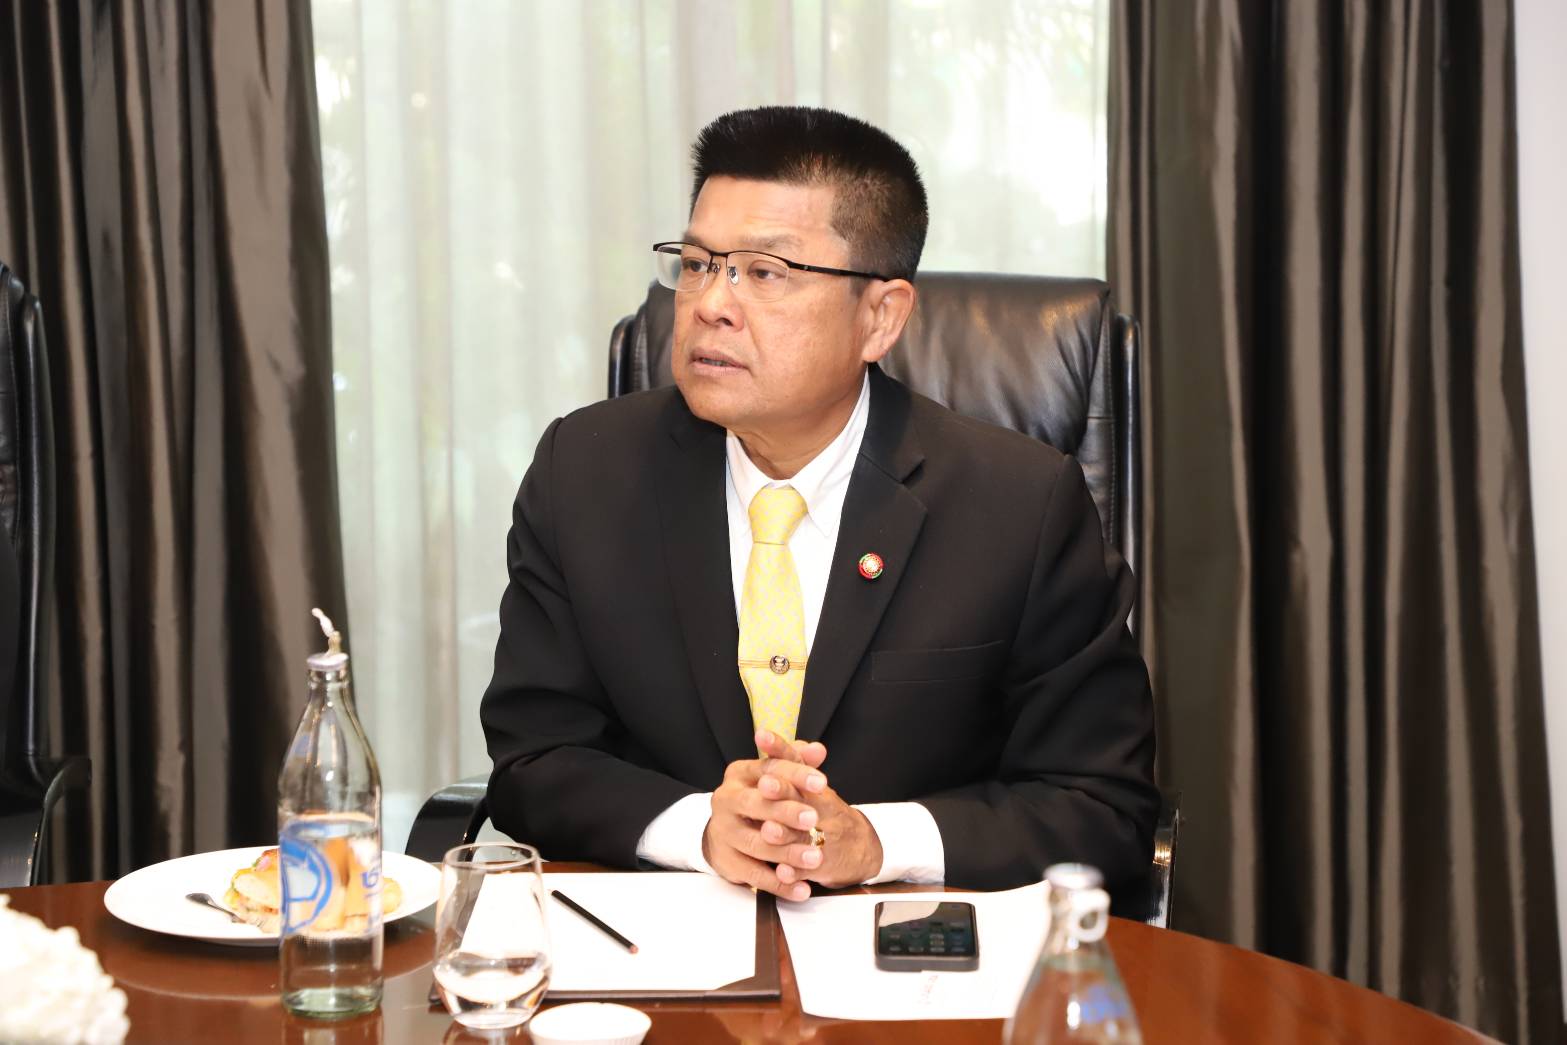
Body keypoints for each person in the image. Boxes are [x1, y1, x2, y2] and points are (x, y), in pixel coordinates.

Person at [481, 106, 1157, 907]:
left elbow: (1100, 807)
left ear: (880, 317)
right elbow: (533, 760)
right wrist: (702, 829)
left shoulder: (1018, 505)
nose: (710, 303)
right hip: (656, 942)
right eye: (696, 263)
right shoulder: (584, 472)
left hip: (908, 949)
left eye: (764, 272)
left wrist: (876, 841)